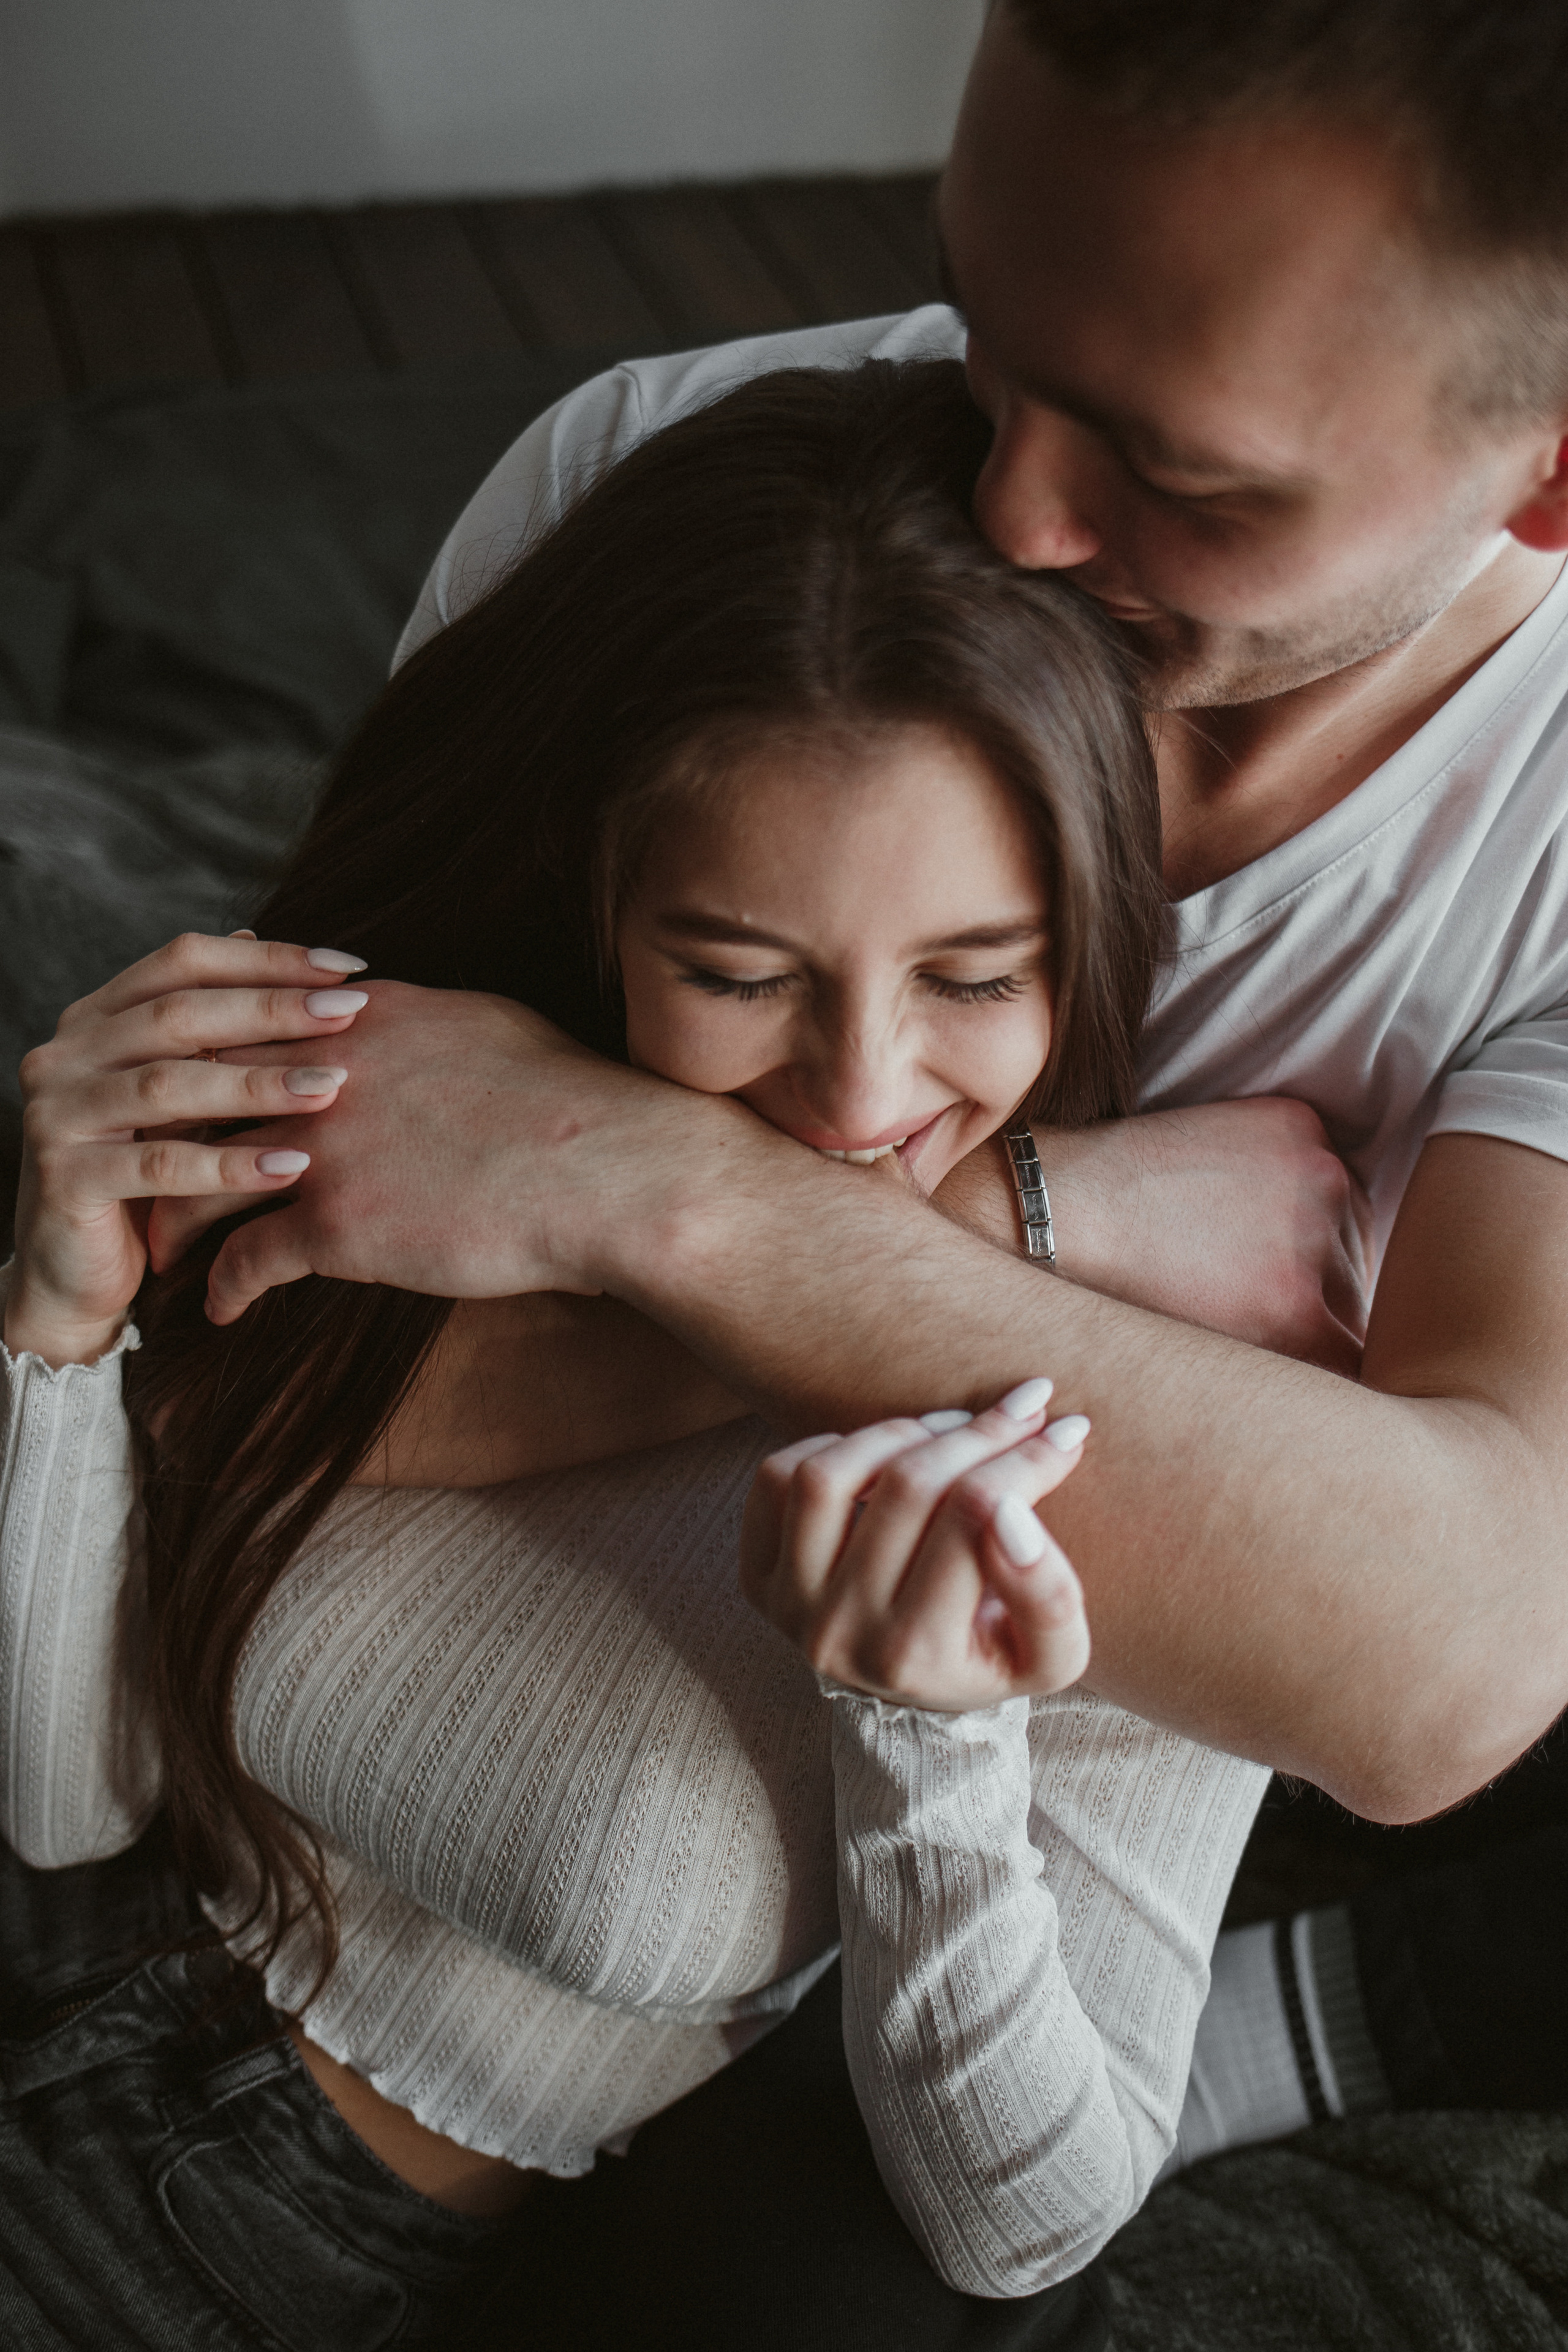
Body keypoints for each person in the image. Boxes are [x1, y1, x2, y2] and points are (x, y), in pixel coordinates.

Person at [121, 0, 1568, 2291]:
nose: (1008, 513)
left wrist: (639, 1182)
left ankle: (1346, 2004)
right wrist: (1073, 1233)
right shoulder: (670, 478)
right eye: (993, 332)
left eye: (1179, 476)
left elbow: (1443, 1668)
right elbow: (208, 1364)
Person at [1, 360, 1266, 2352]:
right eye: (738, 974)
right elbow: (69, 1805)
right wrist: (51, 1335)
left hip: (230, 2234)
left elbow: (1026, 2227)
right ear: (610, 909)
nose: (857, 1092)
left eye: (975, 977)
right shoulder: (455, 1142)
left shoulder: (1133, 1415)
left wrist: (927, 1736)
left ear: (1088, 934)